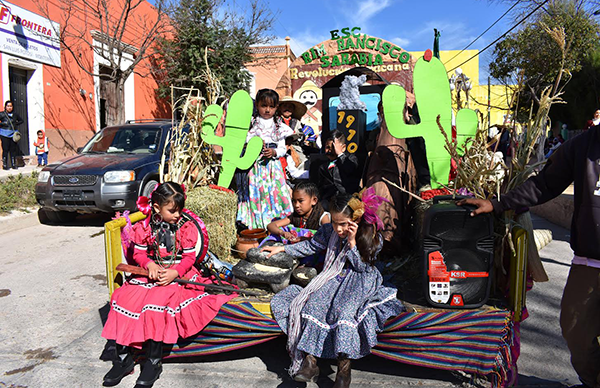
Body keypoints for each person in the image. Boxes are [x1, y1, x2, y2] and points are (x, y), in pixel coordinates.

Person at [457, 125, 600, 388]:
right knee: (576, 331)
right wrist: (498, 204)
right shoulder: (584, 144)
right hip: (590, 262)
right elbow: (545, 184)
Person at [265, 189, 404, 388]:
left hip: (360, 278)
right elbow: (311, 246)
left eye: (343, 224)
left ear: (355, 219)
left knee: (343, 311)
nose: (338, 229)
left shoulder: (370, 233)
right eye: (335, 223)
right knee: (312, 305)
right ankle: (311, 363)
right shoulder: (329, 231)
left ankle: (343, 372)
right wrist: (283, 248)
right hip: (334, 275)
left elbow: (363, 267)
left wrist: (352, 243)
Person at [101, 182, 236, 387]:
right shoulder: (145, 227)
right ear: (156, 207)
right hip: (151, 273)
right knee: (122, 298)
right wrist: (149, 264)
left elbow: (190, 259)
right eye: (172, 210)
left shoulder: (185, 227)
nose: (177, 215)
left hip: (178, 273)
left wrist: (175, 272)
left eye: (179, 210)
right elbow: (138, 253)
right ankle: (123, 358)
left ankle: (153, 362)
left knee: (156, 304)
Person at [237, 89, 295, 229]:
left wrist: (274, 152)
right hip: (255, 167)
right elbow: (243, 142)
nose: (267, 110)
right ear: (257, 105)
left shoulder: (279, 127)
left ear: (276, 107)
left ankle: (275, 224)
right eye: (264, 106)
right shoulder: (251, 124)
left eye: (271, 106)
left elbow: (282, 148)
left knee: (273, 193)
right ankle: (258, 225)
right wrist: (253, 145)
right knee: (257, 194)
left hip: (272, 168)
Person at [316, 130, 360, 210]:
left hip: (347, 198)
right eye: (327, 147)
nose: (330, 150)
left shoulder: (350, 160)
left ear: (343, 148)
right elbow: (321, 187)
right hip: (329, 200)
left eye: (333, 147)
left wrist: (339, 154)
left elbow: (350, 170)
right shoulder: (323, 167)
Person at [0, 100, 24, 170]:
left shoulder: (15, 114)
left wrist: (15, 124)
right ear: (5, 107)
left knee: (13, 150)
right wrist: (2, 124)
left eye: (10, 106)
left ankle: (14, 164)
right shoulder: (2, 114)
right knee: (5, 149)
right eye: (8, 106)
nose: (9, 108)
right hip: (4, 133)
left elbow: (21, 120)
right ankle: (5, 165)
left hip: (13, 134)